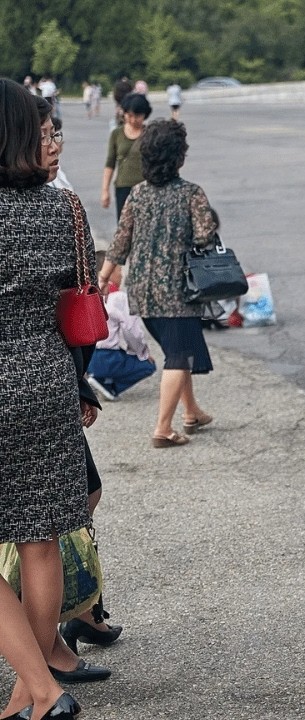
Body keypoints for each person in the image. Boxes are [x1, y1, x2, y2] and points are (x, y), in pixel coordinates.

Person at [0, 77, 90, 720]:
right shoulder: (61, 207)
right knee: (40, 539)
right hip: (47, 377)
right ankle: (31, 692)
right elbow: (77, 298)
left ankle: (42, 687)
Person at [98, 120, 219, 448]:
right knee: (179, 355)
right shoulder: (191, 193)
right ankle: (162, 428)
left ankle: (192, 412)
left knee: (176, 351)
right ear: (179, 157)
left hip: (140, 289)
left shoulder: (137, 193)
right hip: (176, 289)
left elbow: (121, 239)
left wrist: (104, 274)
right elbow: (206, 236)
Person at [86, 263, 156, 401]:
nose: (122, 275)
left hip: (86, 357)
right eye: (119, 270)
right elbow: (132, 331)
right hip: (107, 357)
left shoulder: (87, 294)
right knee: (148, 365)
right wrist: (141, 353)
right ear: (108, 272)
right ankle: (109, 387)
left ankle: (95, 378)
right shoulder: (118, 297)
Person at [101, 92, 150, 220]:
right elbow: (110, 163)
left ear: (145, 114)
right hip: (123, 187)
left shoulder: (150, 134)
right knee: (124, 228)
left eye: (138, 116)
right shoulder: (116, 134)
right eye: (130, 115)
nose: (133, 120)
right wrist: (105, 190)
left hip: (147, 187)